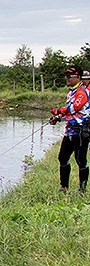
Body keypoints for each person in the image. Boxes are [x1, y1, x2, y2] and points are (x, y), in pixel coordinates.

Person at [49, 65, 88, 194]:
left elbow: (74, 109)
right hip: (69, 130)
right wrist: (57, 117)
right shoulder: (70, 93)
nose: (67, 78)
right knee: (62, 157)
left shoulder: (82, 92)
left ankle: (82, 189)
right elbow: (68, 114)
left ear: (78, 77)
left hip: (82, 131)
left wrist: (59, 110)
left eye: (69, 76)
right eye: (66, 76)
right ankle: (64, 187)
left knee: (80, 159)